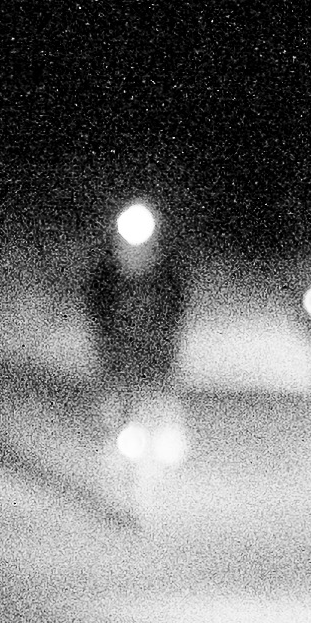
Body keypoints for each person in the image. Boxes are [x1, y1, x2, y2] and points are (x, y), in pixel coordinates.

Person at [80, 191, 195, 485]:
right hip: (118, 349)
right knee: (115, 405)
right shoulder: (106, 269)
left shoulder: (165, 267)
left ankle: (168, 438)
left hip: (156, 348)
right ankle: (115, 455)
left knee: (162, 399)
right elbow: (95, 304)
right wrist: (105, 331)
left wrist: (166, 332)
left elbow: (177, 304)